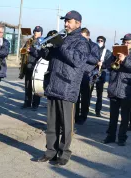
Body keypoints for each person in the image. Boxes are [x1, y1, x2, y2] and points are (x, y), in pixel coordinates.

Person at [37, 10, 90, 166]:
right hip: (54, 84)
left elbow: (78, 60)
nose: (66, 24)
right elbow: (48, 57)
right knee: (51, 123)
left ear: (78, 24)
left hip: (68, 86)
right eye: (65, 21)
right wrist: (44, 48)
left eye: (69, 21)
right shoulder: (62, 38)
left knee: (66, 125)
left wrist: (60, 46)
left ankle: (64, 153)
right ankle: (50, 152)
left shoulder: (82, 42)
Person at [103, 33, 131, 146]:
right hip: (114, 87)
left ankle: (122, 138)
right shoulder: (116, 53)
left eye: (128, 43)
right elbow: (106, 65)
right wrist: (113, 58)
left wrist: (124, 60)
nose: (125, 44)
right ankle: (110, 136)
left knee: (125, 117)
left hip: (127, 89)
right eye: (124, 42)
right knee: (113, 116)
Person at [75, 28, 100, 125]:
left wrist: (83, 55)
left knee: (85, 98)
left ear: (88, 36)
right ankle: (75, 116)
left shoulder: (94, 46)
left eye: (83, 37)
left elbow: (95, 59)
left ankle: (83, 116)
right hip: (77, 72)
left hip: (87, 74)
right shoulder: (78, 43)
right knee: (75, 96)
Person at [20, 26, 43, 110]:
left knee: (36, 87)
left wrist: (33, 51)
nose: (35, 33)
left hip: (36, 67)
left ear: (41, 33)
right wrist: (22, 50)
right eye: (34, 31)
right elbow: (24, 51)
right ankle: (27, 102)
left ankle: (35, 105)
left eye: (37, 31)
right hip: (28, 66)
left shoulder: (42, 42)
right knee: (28, 86)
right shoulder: (29, 40)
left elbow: (41, 54)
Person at [91, 36, 112, 117]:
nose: (99, 41)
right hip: (92, 74)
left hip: (101, 75)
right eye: (98, 40)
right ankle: (85, 110)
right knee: (88, 94)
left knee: (99, 95)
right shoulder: (93, 50)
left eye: (101, 40)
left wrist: (102, 65)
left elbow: (108, 64)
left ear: (104, 42)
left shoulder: (107, 52)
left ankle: (98, 111)